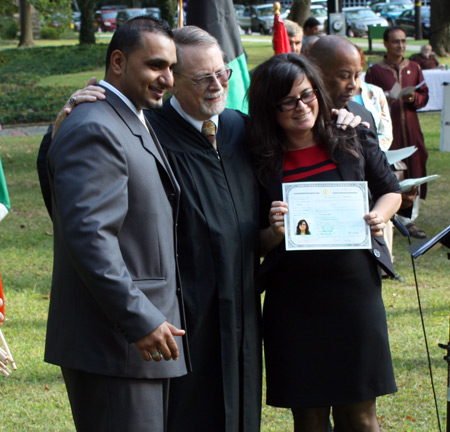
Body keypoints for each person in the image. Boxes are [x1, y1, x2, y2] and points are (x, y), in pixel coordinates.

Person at [38, 27, 364, 432]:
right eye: (201, 78)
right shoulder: (145, 129)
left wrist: (342, 118)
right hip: (181, 313)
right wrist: (59, 127)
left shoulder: (241, 130)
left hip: (240, 309)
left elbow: (304, 135)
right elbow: (77, 209)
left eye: (222, 74)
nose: (217, 86)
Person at [44, 16, 188, 432]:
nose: (168, 79)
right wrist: (140, 318)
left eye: (172, 68)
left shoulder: (127, 117)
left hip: (135, 346)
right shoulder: (95, 126)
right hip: (115, 344)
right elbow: (89, 235)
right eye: (156, 66)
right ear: (119, 62)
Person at [248, 53, 401, 432]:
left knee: (361, 417)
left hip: (354, 297)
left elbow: (391, 191)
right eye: (287, 101)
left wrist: (379, 217)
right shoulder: (256, 159)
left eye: (307, 94)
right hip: (293, 304)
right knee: (310, 419)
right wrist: (273, 231)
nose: (301, 107)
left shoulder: (351, 133)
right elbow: (252, 241)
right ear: (270, 107)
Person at [366, 27, 429, 239]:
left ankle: (410, 220)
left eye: (403, 41)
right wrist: (386, 99)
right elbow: (367, 97)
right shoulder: (376, 71)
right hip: (388, 131)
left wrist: (413, 99)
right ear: (385, 44)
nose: (400, 45)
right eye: (395, 42)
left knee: (415, 169)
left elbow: (423, 94)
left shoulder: (414, 67)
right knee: (392, 170)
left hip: (411, 128)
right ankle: (389, 215)